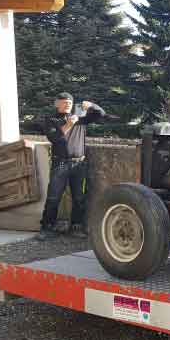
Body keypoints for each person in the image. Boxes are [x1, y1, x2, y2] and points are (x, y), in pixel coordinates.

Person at [36, 92, 106, 241]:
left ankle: (76, 227)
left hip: (79, 163)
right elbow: (55, 138)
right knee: (53, 197)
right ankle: (47, 228)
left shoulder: (80, 118)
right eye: (64, 101)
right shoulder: (51, 120)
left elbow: (101, 114)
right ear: (57, 104)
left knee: (79, 197)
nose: (68, 104)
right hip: (60, 163)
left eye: (70, 102)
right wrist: (69, 124)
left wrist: (92, 105)